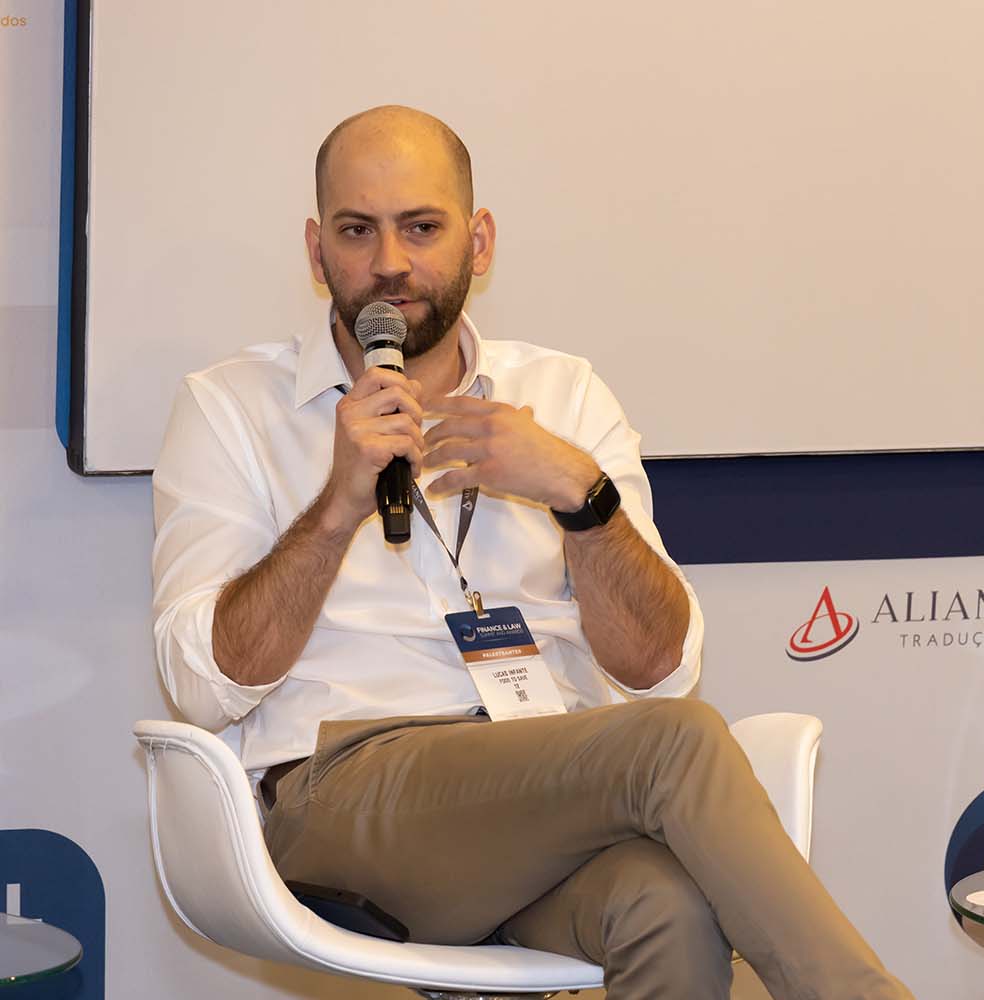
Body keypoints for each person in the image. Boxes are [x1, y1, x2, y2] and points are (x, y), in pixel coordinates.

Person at [150, 105, 912, 1000]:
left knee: (666, 908)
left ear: (479, 242)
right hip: (338, 794)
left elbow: (658, 670)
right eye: (358, 231)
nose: (390, 262)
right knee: (672, 746)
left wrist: (581, 497)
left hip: (537, 786)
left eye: (421, 227)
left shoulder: (563, 393)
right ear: (317, 252)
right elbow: (201, 686)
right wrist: (335, 507)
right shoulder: (232, 408)